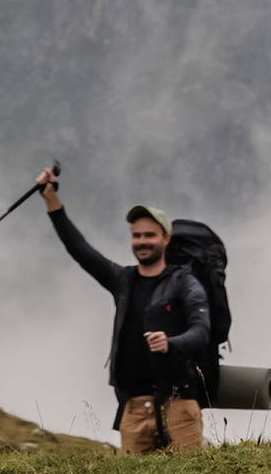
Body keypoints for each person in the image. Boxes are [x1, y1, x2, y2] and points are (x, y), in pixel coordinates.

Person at [37, 167, 210, 453]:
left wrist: (171, 343)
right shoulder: (123, 281)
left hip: (180, 404)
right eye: (136, 236)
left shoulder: (185, 283)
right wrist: (51, 199)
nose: (142, 241)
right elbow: (79, 249)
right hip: (132, 409)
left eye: (150, 235)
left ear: (166, 239)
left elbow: (201, 332)